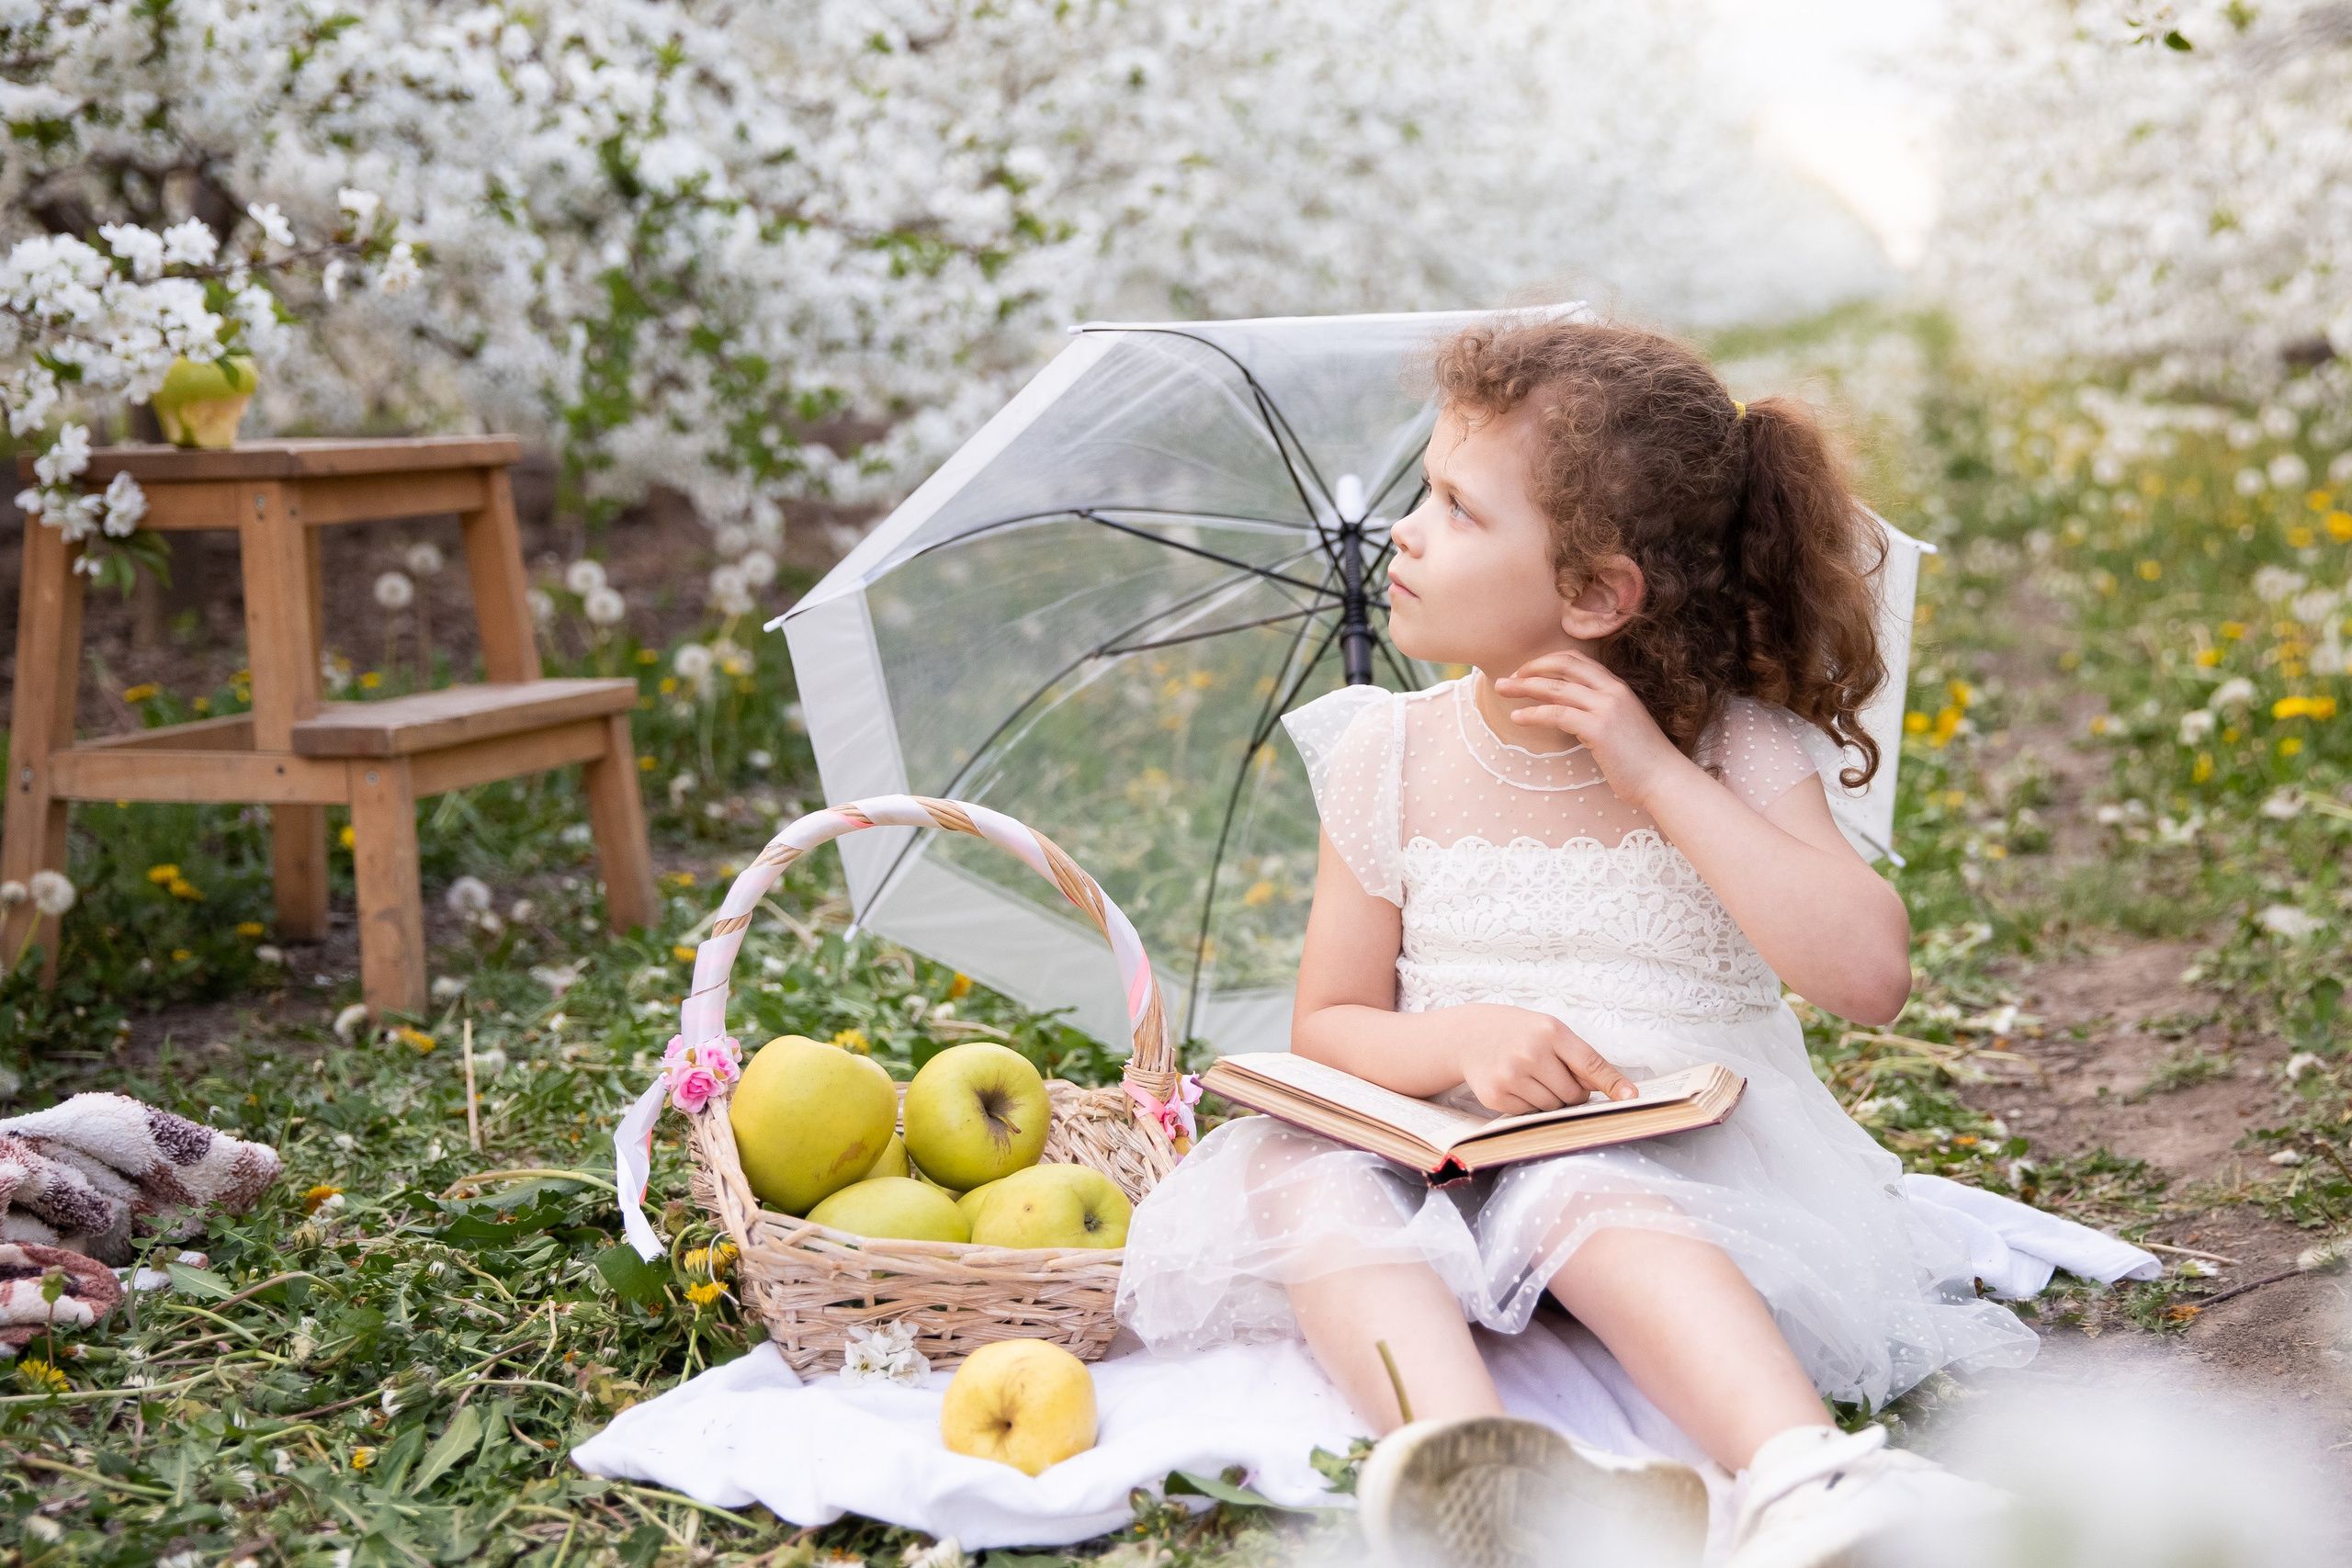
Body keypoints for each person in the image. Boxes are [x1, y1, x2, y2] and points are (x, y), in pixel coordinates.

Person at [1114, 315, 2032, 1567]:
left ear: (1598, 593)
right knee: (1294, 1167)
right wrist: (1465, 1038)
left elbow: (1868, 976)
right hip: (1446, 1144)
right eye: (1421, 492)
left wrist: (1655, 772)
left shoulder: (1726, 745)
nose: (1407, 532)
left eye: (1457, 508)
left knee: (1571, 1183)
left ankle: (1798, 1470)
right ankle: (1467, 1468)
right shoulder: (1388, 756)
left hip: (1672, 1155)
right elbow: (1324, 1030)